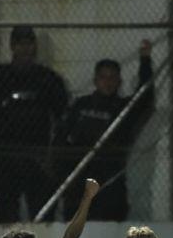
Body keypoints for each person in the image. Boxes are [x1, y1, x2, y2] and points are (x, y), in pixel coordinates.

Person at [56, 40, 153, 222]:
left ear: (119, 81)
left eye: (112, 78)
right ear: (95, 80)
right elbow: (62, 137)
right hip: (79, 181)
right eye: (103, 77)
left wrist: (145, 60)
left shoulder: (124, 108)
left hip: (110, 180)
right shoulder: (81, 105)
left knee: (110, 226)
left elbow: (145, 96)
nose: (107, 82)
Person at [0, 26, 68, 222]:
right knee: (5, 216)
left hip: (37, 154)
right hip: (5, 155)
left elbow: (62, 118)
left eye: (29, 43)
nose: (25, 49)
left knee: (43, 216)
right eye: (20, 44)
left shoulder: (47, 78)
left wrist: (54, 156)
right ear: (12, 46)